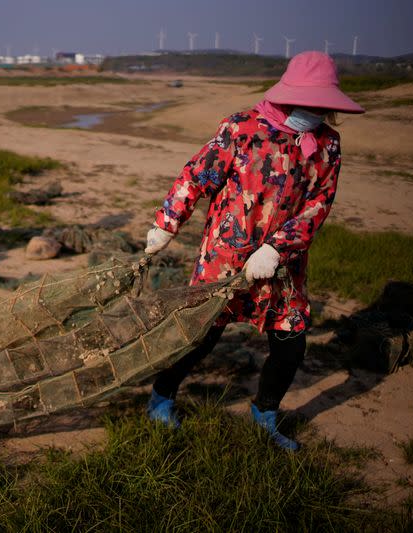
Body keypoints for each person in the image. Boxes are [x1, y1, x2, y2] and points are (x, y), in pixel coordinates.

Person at [143, 51, 364, 450]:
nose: (313, 111)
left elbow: (319, 204)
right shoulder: (241, 128)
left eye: (321, 105)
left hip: (282, 266)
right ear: (287, 94)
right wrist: (166, 224)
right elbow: (197, 175)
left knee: (291, 344)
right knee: (201, 336)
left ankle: (264, 413)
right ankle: (161, 397)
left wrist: (278, 249)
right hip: (225, 258)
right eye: (308, 102)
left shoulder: (328, 145)